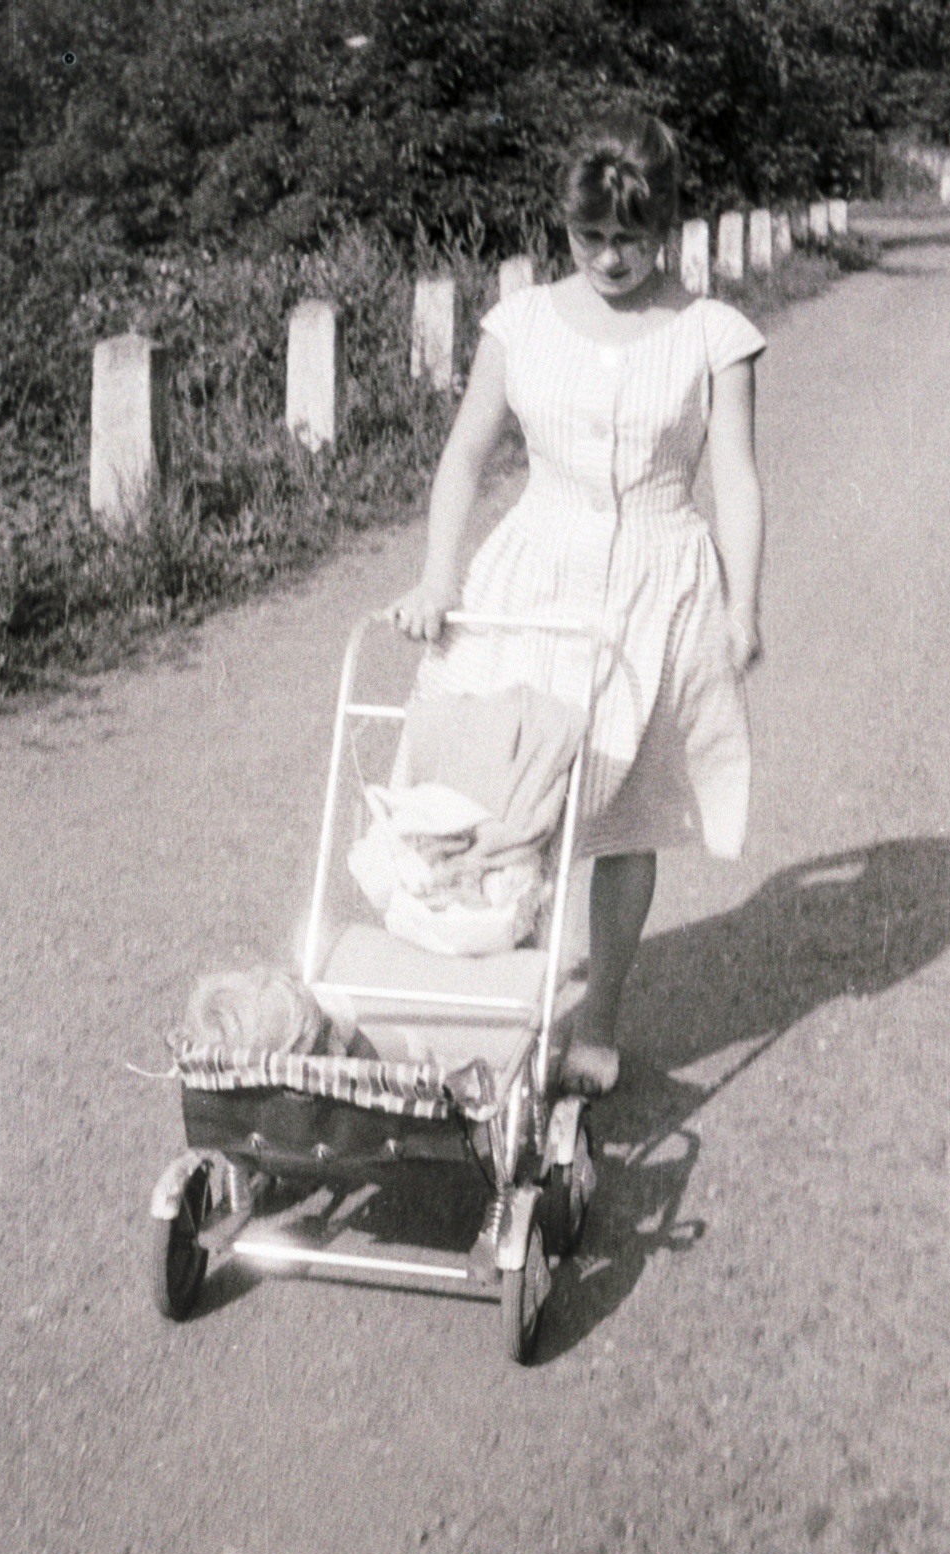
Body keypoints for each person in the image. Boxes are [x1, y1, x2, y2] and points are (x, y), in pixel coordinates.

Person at [388, 112, 766, 1095]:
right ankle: (468, 1016)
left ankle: (597, 1018)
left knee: (627, 815)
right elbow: (467, 452)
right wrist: (439, 577)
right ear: (567, 227)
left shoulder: (712, 336)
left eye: (629, 239)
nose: (608, 257)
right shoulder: (519, 323)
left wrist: (744, 609)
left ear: (669, 228)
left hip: (657, 585)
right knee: (493, 789)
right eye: (589, 236)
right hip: (534, 575)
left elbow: (739, 476)